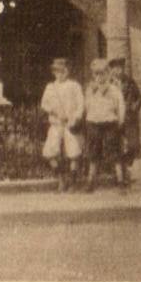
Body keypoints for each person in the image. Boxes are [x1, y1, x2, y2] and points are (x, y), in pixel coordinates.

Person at [39, 57, 85, 190]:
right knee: (49, 152)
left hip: (70, 124)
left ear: (68, 71)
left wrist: (75, 118)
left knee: (73, 153)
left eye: (63, 70)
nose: (60, 74)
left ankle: (73, 182)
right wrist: (54, 111)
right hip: (56, 123)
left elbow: (81, 104)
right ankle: (61, 180)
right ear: (54, 72)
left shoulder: (74, 86)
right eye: (57, 71)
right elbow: (44, 104)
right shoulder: (50, 87)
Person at [83, 57, 126, 192]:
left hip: (110, 123)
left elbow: (121, 105)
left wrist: (120, 120)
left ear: (107, 74)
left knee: (114, 151)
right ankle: (90, 182)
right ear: (93, 75)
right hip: (94, 123)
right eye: (96, 74)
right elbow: (87, 106)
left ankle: (120, 181)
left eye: (102, 73)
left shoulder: (114, 89)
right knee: (93, 153)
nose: (100, 77)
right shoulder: (90, 89)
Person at [109, 56, 141, 185]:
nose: (118, 71)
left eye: (120, 68)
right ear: (111, 70)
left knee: (133, 146)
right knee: (116, 146)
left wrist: (135, 106)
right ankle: (120, 174)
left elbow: (139, 98)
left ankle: (125, 167)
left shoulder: (130, 82)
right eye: (115, 68)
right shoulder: (108, 83)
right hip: (114, 118)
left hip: (129, 118)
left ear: (123, 69)